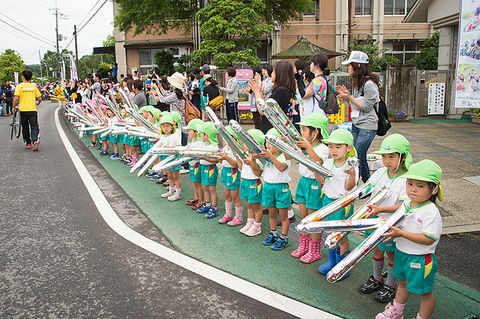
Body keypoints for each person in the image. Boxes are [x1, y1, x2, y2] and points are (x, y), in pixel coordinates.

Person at [375, 159, 443, 319]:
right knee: (402, 284)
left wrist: (401, 234)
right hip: (402, 253)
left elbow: (429, 239)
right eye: (410, 184)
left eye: (420, 186)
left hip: (420, 259)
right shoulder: (408, 203)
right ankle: (397, 312)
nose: (413, 190)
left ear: (433, 190)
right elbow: (397, 219)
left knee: (425, 293)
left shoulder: (431, 212)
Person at [359, 134, 411, 303]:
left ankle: (391, 283)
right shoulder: (381, 172)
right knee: (376, 249)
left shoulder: (406, 179)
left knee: (391, 254)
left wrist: (381, 209)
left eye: (392, 156)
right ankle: (376, 277)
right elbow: (367, 189)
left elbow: (403, 206)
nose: (387, 161)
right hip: (374, 220)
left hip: (391, 224)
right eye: (384, 156)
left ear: (403, 157)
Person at [314, 129, 359, 277]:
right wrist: (316, 171)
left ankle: (343, 265)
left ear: (349, 148)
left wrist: (352, 175)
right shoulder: (328, 162)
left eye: (338, 147)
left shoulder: (351, 165)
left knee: (341, 236)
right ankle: (332, 261)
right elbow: (321, 181)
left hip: (342, 205)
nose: (333, 150)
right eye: (331, 146)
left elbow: (348, 187)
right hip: (327, 202)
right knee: (330, 233)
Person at [290, 113, 330, 263]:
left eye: (305, 130)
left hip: (315, 184)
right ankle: (303, 245)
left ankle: (315, 250)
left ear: (316, 132)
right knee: (303, 217)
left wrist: (307, 148)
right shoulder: (305, 145)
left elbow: (318, 162)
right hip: (303, 182)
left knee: (313, 219)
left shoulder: (322, 148)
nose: (302, 133)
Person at [336, 51, 380, 182]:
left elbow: (366, 107)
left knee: (358, 156)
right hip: (357, 124)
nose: (348, 68)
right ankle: (368, 185)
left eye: (350, 65)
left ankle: (363, 184)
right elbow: (356, 105)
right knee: (357, 155)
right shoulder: (359, 83)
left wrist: (349, 97)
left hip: (367, 126)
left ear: (358, 66)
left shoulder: (369, 84)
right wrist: (348, 95)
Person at [252, 128, 292, 251]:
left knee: (284, 216)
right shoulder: (266, 156)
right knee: (272, 214)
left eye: (271, 142)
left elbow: (281, 168)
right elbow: (258, 171)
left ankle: (284, 237)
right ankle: (273, 233)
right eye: (267, 142)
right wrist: (253, 159)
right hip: (268, 187)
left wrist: (270, 156)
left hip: (281, 188)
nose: (268, 145)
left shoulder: (285, 156)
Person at [250, 61, 296, 133]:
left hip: (272, 131)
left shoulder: (280, 91)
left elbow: (263, 111)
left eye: (273, 72)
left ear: (280, 74)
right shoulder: (286, 89)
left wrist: (256, 92)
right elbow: (265, 104)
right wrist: (259, 90)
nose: (271, 74)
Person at [238, 129, 265, 237]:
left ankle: (257, 226)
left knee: (256, 206)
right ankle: (250, 223)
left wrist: (251, 163)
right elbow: (241, 168)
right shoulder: (246, 154)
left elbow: (257, 173)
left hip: (254, 183)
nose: (243, 144)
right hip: (245, 181)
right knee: (249, 204)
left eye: (246, 142)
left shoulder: (259, 158)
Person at [217, 126, 243, 226]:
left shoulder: (236, 149)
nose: (223, 140)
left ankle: (239, 217)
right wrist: (220, 158)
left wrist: (226, 158)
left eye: (226, 137)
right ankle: (228, 214)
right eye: (223, 137)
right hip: (225, 171)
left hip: (233, 173)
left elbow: (236, 164)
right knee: (227, 194)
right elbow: (222, 159)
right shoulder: (225, 148)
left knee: (235, 196)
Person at [154, 72, 188, 146]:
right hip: (181, 124)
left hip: (179, 125)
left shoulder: (176, 95)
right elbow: (166, 95)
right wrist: (160, 87)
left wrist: (157, 89)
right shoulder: (179, 92)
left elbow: (163, 100)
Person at [13, 70, 42, 151]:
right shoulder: (33, 87)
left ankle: (28, 143)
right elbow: (40, 98)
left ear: (22, 77)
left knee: (25, 127)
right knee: (34, 126)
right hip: (32, 110)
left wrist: (13, 107)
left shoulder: (19, 86)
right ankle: (35, 141)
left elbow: (16, 98)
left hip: (23, 110)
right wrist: (38, 103)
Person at [196, 122, 220, 219]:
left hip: (210, 168)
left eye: (201, 133)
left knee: (211, 189)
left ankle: (214, 207)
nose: (200, 134)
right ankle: (207, 204)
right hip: (203, 167)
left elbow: (215, 160)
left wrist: (204, 158)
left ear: (207, 135)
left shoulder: (214, 147)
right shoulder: (204, 144)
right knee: (205, 186)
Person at [159, 114, 183, 202]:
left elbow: (178, 147)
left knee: (176, 176)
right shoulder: (162, 137)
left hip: (174, 158)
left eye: (168, 126)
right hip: (166, 158)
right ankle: (171, 190)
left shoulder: (175, 136)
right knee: (170, 175)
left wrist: (167, 148)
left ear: (172, 127)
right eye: (164, 126)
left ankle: (178, 193)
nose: (166, 128)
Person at [184, 119, 205, 209]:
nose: (188, 132)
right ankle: (196, 197)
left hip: (196, 165)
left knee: (198, 183)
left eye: (190, 130)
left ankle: (201, 200)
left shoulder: (200, 143)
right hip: (192, 164)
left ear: (196, 132)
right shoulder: (193, 141)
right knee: (195, 182)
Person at [302, 54, 330, 118]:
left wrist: (300, 81)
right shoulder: (322, 79)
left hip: (314, 115)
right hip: (319, 113)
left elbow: (304, 95)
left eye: (311, 63)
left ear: (317, 65)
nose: (310, 65)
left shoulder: (317, 81)